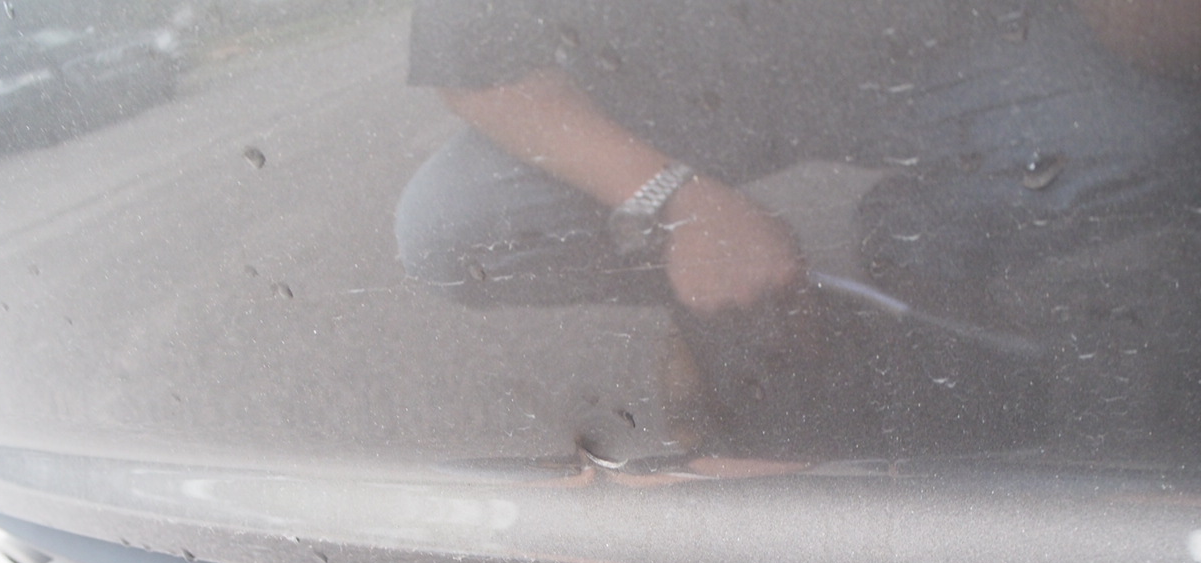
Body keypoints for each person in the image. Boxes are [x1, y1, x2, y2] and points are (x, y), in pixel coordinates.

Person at [396, 0, 1201, 463]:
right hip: (661, 88)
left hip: (933, 46)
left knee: (1167, 130)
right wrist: (675, 199)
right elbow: (475, 62)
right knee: (452, 231)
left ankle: (915, 253)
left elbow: (1155, 40)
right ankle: (715, 283)